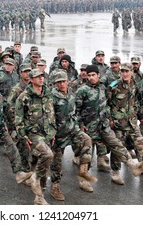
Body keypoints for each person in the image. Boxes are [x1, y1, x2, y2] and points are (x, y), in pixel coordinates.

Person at [75, 65, 143, 179]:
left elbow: (108, 105)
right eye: (89, 75)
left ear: (98, 75)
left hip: (103, 126)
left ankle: (133, 165)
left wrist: (109, 118)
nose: (91, 78)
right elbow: (76, 110)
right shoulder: (82, 90)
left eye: (93, 75)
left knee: (117, 145)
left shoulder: (104, 88)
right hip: (89, 128)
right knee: (86, 155)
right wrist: (80, 124)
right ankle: (83, 180)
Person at [107, 63, 143, 184]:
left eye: (127, 71)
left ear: (132, 72)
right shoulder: (114, 86)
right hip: (118, 123)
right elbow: (107, 103)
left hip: (132, 122)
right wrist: (110, 119)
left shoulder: (135, 85)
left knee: (142, 146)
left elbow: (137, 101)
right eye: (123, 71)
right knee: (118, 149)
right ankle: (115, 173)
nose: (125, 74)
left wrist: (138, 113)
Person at [50, 70, 97, 200]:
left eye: (63, 81)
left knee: (87, 140)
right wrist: (51, 133)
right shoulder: (51, 97)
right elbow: (49, 117)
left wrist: (77, 125)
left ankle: (83, 172)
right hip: (58, 134)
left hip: (72, 130)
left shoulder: (71, 94)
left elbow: (74, 112)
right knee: (57, 163)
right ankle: (55, 186)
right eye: (58, 82)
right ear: (55, 83)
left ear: (67, 81)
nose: (61, 84)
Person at [15, 69, 56, 205]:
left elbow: (51, 114)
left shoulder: (47, 94)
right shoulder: (24, 97)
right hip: (33, 134)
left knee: (40, 163)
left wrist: (53, 132)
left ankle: (39, 197)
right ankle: (35, 178)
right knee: (48, 155)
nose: (41, 79)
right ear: (31, 79)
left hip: (47, 134)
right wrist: (23, 136)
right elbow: (18, 120)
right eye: (37, 77)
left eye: (42, 76)